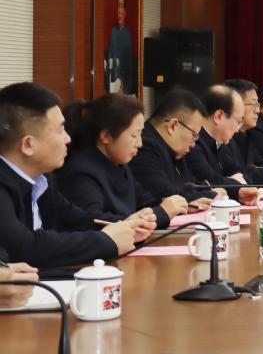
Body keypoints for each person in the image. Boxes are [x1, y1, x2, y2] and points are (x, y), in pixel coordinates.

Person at [0, 82, 154, 268]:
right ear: (28, 145)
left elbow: (78, 220)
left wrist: (126, 226)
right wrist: (106, 241)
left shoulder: (43, 180)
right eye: (60, 130)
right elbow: (25, 248)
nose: (68, 138)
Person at [59, 94, 188, 229]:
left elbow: (145, 202)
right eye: (134, 135)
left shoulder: (119, 164)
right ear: (106, 136)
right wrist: (160, 214)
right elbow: (95, 222)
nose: (139, 143)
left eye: (140, 134)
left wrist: (180, 206)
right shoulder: (80, 172)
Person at [128, 88, 221, 205]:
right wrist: (212, 194)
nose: (193, 144)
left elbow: (191, 185)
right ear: (173, 126)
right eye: (194, 135)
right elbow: (166, 194)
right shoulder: (145, 147)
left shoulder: (175, 152)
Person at [184, 85, 259, 205]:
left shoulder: (221, 142)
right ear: (219, 116)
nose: (237, 129)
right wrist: (235, 184)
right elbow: (211, 180)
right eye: (238, 122)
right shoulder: (194, 144)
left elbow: (240, 171)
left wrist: (234, 183)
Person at [106, 0, 134, 95]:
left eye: (122, 6)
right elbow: (109, 58)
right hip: (110, 84)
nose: (119, 10)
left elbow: (129, 69)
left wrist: (123, 88)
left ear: (125, 10)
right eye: (118, 6)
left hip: (121, 88)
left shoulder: (127, 35)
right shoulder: (113, 30)